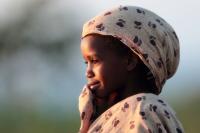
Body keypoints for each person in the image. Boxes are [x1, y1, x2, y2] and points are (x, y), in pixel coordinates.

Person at [78, 5, 184, 133]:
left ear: (129, 61)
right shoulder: (117, 114)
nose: (88, 72)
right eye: (86, 63)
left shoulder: (145, 110)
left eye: (94, 61)